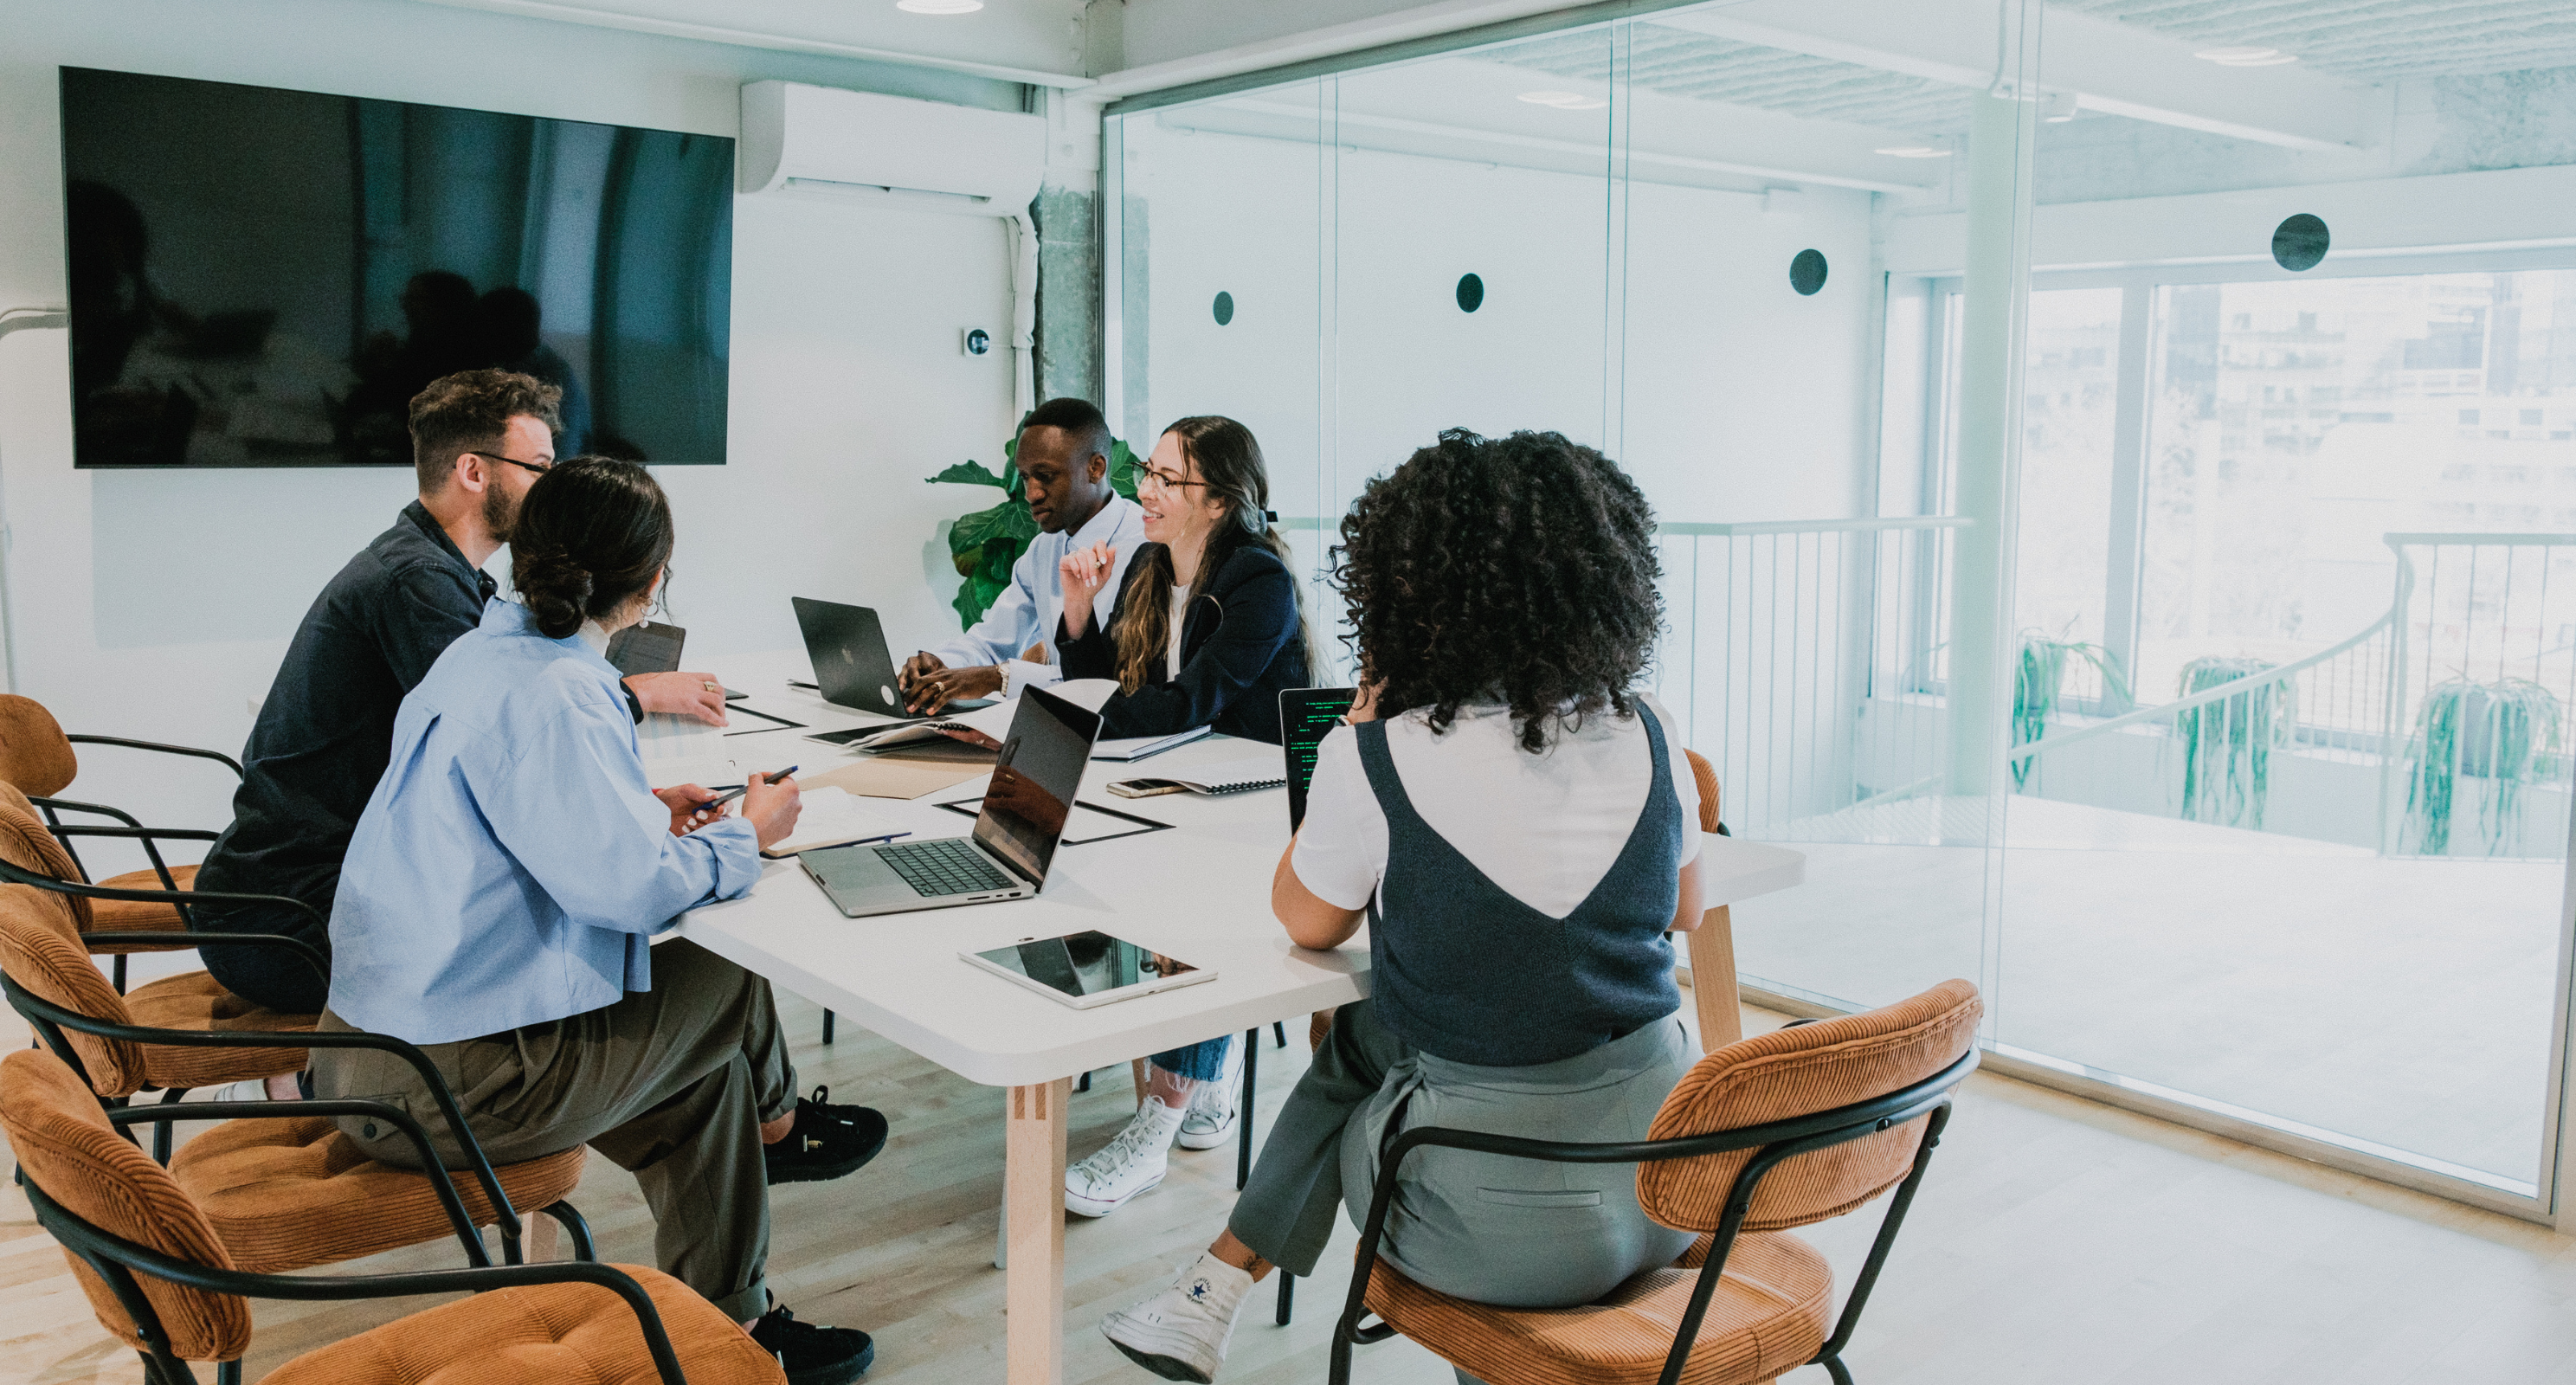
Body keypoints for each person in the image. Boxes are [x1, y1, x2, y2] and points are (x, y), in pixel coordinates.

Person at [1097, 429, 1705, 1384]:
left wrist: (1357, 735)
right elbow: (1680, 911)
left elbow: (1305, 918)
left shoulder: (1385, 754)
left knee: (1362, 1032)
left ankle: (1217, 1284)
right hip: (1676, 1177)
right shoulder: (1655, 730)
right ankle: (1210, 1286)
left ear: (1412, 592)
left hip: (1496, 1228)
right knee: (1386, 1022)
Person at [312, 458, 881, 1385]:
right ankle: (785, 1136)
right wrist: (747, 832)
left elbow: (525, 824)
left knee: (701, 1084)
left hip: (363, 1055)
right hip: (442, 1087)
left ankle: (732, 1335)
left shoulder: (481, 655)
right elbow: (631, 893)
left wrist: (641, 807)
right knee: (724, 979)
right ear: (650, 585)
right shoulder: (562, 693)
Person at [190, 370, 728, 1035]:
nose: (551, 488)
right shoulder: (421, 584)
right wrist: (635, 703)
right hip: (294, 921)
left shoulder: (433, 568)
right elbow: (513, 735)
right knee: (599, 942)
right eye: (538, 467)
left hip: (279, 894)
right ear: (474, 471)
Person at [1053, 415, 1315, 1218]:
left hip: (1262, 806)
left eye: (1171, 481)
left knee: (1192, 911)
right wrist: (1077, 612)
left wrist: (1091, 722)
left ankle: (1157, 1123)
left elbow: (1187, 703)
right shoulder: (1146, 564)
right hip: (1177, 786)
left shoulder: (1258, 583)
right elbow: (1108, 684)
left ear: (1220, 502)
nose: (1149, 493)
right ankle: (1208, 1062)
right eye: (1150, 474)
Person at [898, 397, 1144, 714]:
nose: (1031, 494)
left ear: (1095, 468)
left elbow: (1114, 684)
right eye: (1026, 477)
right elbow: (991, 641)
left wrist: (1000, 678)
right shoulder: (1044, 549)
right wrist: (938, 666)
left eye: (1046, 476)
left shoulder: (1144, 546)